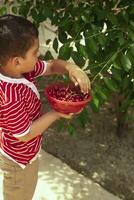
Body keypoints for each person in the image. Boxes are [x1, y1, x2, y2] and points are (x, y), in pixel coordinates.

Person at [0, 14, 91, 200]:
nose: (39, 55)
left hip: (23, 153)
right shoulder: (9, 96)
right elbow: (25, 134)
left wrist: (71, 68)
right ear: (16, 61)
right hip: (19, 161)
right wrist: (57, 112)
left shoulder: (20, 70)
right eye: (35, 53)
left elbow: (50, 66)